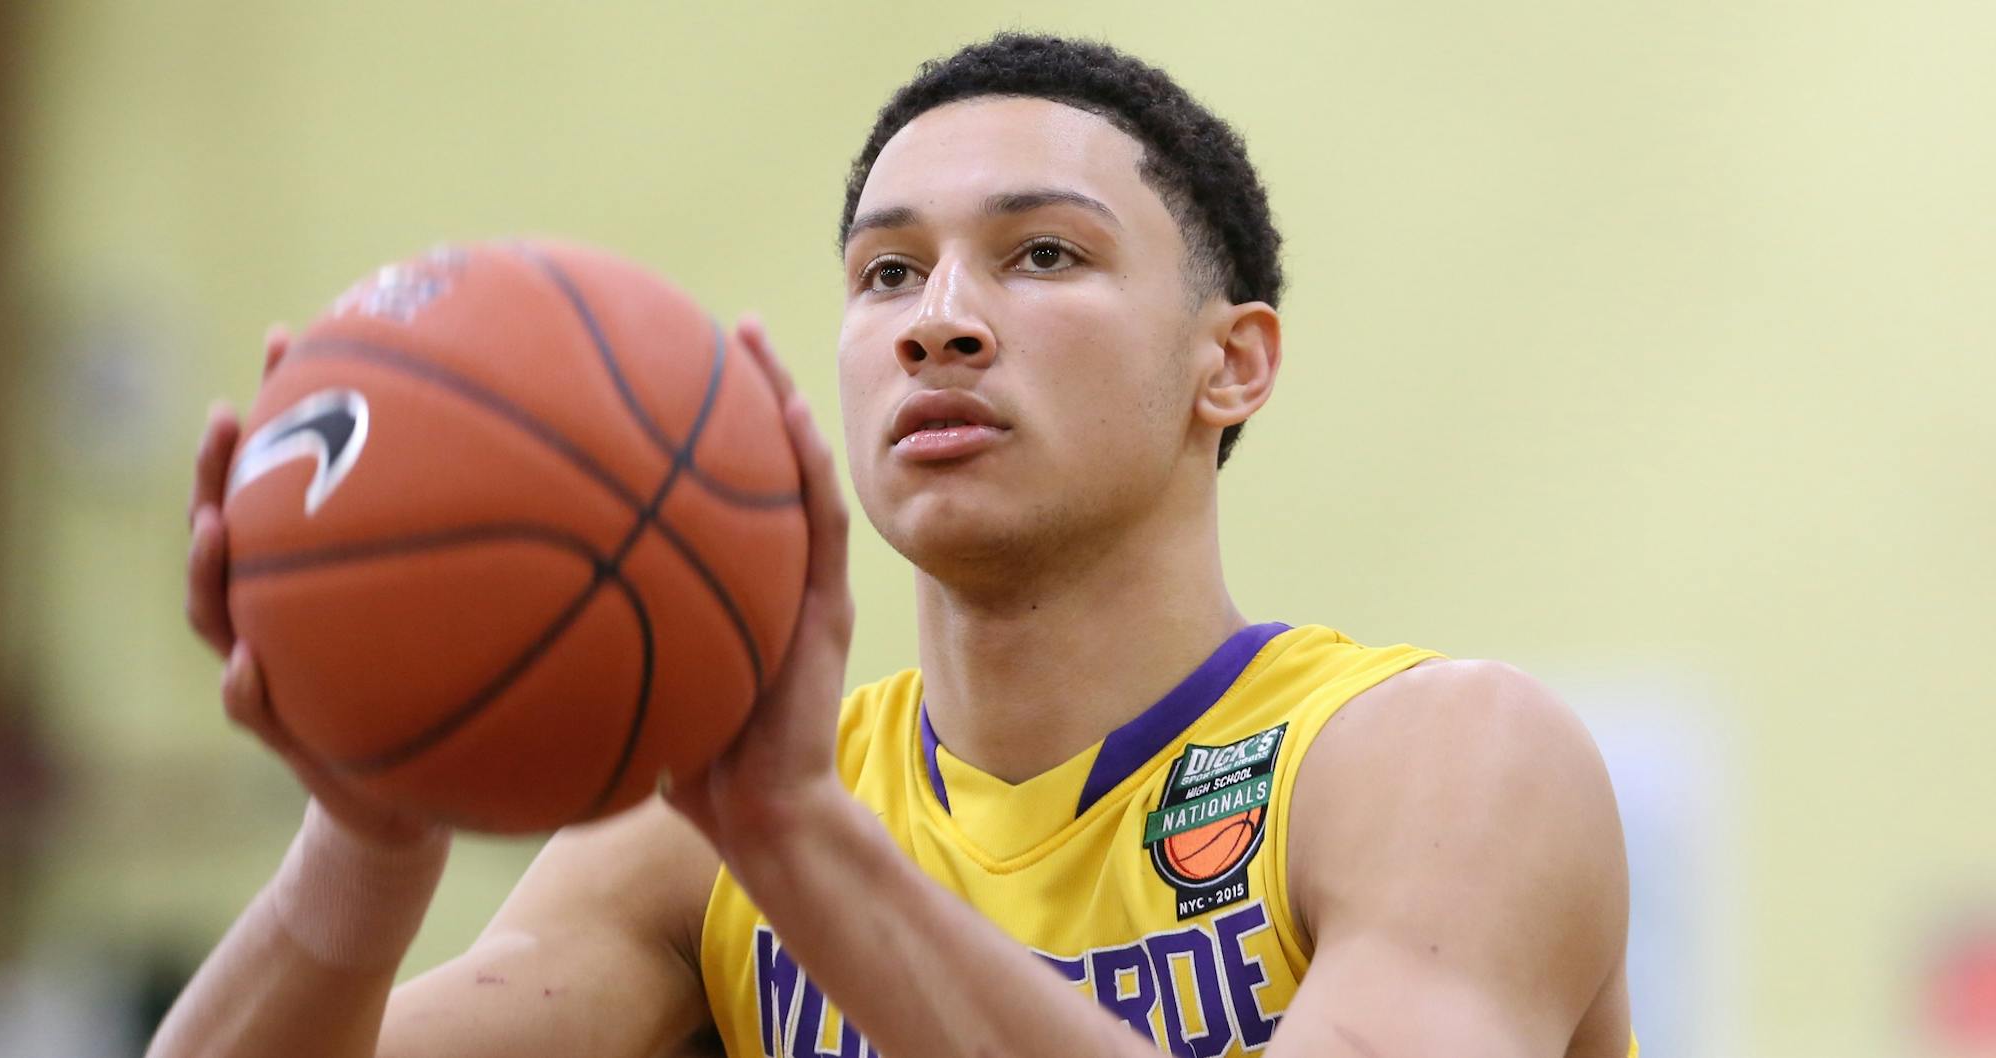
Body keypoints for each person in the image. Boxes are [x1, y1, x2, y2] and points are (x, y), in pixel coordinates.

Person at [154, 33, 1633, 1058]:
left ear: (1230, 363)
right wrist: (369, 825)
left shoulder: (1442, 763)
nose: (939, 319)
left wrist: (801, 846)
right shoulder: (700, 844)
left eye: (1043, 253)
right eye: (886, 272)